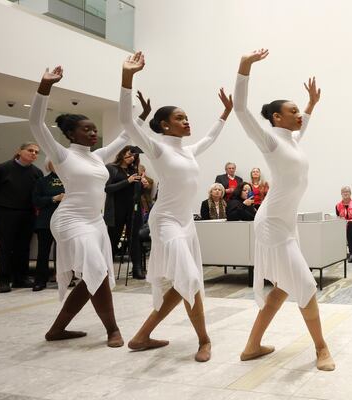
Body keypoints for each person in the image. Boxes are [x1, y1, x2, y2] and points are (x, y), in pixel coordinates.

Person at [120, 52, 232, 360]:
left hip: (186, 224)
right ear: (165, 126)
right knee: (190, 278)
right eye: (179, 118)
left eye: (186, 117)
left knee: (186, 279)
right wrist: (127, 77)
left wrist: (225, 113)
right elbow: (126, 121)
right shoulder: (157, 148)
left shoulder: (189, 150)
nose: (186, 121)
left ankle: (142, 336)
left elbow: (210, 136)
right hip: (166, 221)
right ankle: (204, 340)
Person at [28, 65, 145, 347]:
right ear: (71, 133)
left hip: (95, 222)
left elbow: (126, 136)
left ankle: (56, 330)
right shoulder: (62, 154)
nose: (93, 133)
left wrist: (142, 116)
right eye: (87, 129)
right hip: (70, 220)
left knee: (94, 274)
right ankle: (112, 330)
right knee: (96, 269)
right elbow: (36, 123)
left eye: (94, 129)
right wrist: (45, 86)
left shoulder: (98, 156)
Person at [234, 49, 334, 371]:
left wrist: (311, 105)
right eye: (293, 111)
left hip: (286, 224)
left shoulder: (292, 141)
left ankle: (251, 347)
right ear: (277, 118)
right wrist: (245, 67)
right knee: (304, 285)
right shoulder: (271, 141)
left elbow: (304, 125)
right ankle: (321, 349)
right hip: (271, 225)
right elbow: (240, 109)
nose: (299, 115)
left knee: (282, 287)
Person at [0, 142, 43, 293]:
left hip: (27, 214)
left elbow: (37, 195)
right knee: (6, 248)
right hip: (6, 214)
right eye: (30, 150)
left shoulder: (37, 172)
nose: (34, 154)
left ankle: (21, 278)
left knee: (23, 247)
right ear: (19, 151)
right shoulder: (2, 169)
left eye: (36, 152)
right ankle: (3, 280)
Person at [104, 145, 150, 279]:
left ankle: (137, 269)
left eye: (134, 156)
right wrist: (127, 181)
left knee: (134, 239)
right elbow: (108, 189)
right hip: (116, 209)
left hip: (133, 209)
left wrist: (143, 185)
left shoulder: (134, 170)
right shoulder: (111, 168)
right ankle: (106, 270)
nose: (131, 158)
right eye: (129, 155)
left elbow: (136, 192)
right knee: (113, 239)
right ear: (122, 154)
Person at [31, 160, 65, 291]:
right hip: (45, 222)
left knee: (64, 253)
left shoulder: (70, 180)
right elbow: (36, 201)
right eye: (54, 163)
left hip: (65, 222)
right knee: (43, 252)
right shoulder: (42, 182)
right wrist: (54, 198)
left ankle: (64, 278)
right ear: (48, 165)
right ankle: (40, 280)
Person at [335, 186, 352, 262]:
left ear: (350, 193)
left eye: (347, 191)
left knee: (349, 225)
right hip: (345, 227)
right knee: (348, 229)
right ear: (341, 194)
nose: (345, 193)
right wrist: (344, 222)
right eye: (344, 192)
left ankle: (351, 253)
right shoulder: (337, 206)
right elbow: (339, 218)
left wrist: (348, 222)